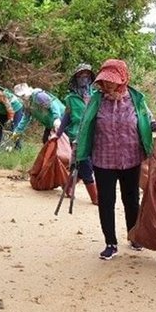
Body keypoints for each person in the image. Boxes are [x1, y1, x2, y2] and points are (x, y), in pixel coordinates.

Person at [74, 59, 155, 260]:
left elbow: (148, 121)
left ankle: (134, 236)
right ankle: (110, 242)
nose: (109, 84)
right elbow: (85, 125)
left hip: (131, 158)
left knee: (131, 199)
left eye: (113, 80)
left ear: (123, 79)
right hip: (103, 160)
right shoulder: (96, 101)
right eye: (105, 80)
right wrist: (78, 148)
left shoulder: (136, 99)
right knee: (106, 202)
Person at [57, 63, 98, 205]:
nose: (84, 79)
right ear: (76, 79)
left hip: (94, 135)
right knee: (85, 165)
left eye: (86, 76)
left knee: (81, 166)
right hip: (77, 137)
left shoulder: (96, 96)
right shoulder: (71, 99)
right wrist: (58, 135)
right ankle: (95, 197)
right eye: (80, 76)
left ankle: (67, 188)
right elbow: (66, 118)